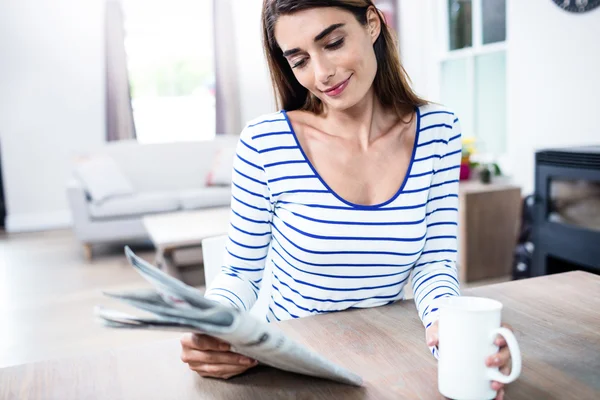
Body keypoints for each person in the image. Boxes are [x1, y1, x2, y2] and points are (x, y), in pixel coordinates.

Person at [180, 1, 513, 398]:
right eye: (299, 59)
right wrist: (211, 326)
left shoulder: (438, 131)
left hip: (383, 356)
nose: (322, 74)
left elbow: (434, 263)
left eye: (333, 42)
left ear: (372, 24)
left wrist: (452, 331)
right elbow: (240, 274)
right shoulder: (265, 142)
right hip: (291, 362)